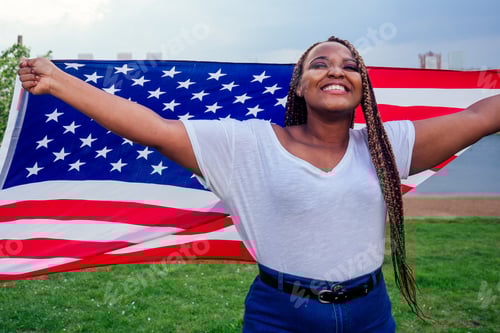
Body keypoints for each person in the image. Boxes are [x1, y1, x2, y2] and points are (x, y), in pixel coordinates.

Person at [18, 36, 500, 332]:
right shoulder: (246, 145)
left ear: (362, 87)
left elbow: (481, 116)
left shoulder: (388, 145)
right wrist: (58, 81)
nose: (336, 68)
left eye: (350, 65)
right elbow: (153, 128)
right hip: (279, 315)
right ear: (298, 85)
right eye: (320, 63)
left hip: (369, 313)